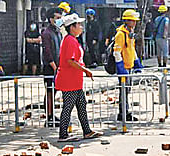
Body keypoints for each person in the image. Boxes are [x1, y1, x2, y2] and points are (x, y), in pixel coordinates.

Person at [55, 14, 102, 142]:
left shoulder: (72, 40)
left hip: (75, 80)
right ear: (72, 27)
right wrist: (85, 70)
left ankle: (87, 131)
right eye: (79, 25)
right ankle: (63, 135)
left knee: (82, 104)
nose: (81, 27)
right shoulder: (70, 40)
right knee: (68, 106)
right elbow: (70, 60)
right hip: (69, 80)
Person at [113, 9, 143, 121]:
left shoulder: (129, 34)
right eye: (133, 21)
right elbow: (116, 52)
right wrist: (120, 68)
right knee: (124, 91)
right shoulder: (121, 34)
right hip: (124, 68)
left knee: (127, 90)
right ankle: (123, 113)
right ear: (127, 21)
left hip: (129, 67)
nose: (135, 23)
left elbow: (131, 48)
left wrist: (136, 62)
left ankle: (125, 112)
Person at [41, 8, 63, 127]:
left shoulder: (58, 32)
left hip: (58, 66)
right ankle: (49, 116)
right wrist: (54, 67)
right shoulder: (46, 33)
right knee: (49, 91)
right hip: (50, 68)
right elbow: (47, 52)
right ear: (51, 19)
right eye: (57, 18)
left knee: (54, 91)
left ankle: (52, 114)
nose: (59, 20)